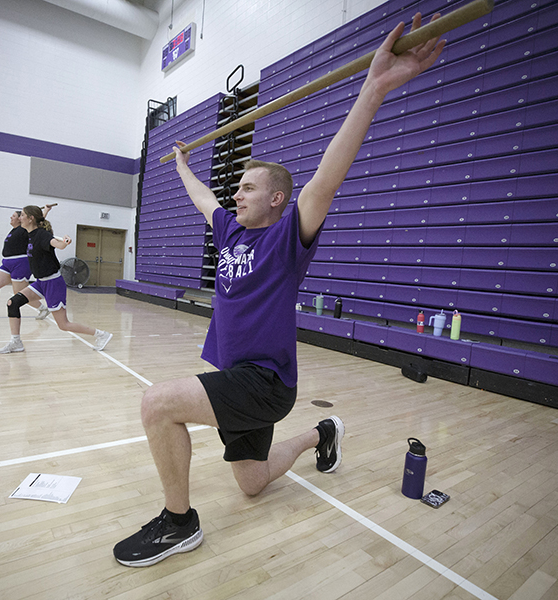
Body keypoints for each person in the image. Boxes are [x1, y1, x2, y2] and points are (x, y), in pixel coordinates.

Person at [113, 14, 445, 567]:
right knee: (251, 483)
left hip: (265, 383)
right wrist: (180, 166)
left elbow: (326, 179)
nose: (235, 193)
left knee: (157, 404)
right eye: (236, 186)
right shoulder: (230, 230)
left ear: (275, 200)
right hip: (236, 378)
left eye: (247, 187)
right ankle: (322, 434)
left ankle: (178, 524)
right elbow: (202, 199)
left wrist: (375, 87)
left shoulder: (290, 235)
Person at [0, 205, 112, 354]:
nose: (20, 218)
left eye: (22, 215)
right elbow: (39, 219)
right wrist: (46, 211)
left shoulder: (42, 235)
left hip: (53, 283)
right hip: (40, 283)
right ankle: (16, 342)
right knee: (13, 303)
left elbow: (58, 244)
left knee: (63, 325)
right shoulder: (28, 233)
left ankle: (101, 334)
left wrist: (65, 242)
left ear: (30, 219)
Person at [0, 205, 55, 320]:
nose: (11, 217)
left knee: (19, 292)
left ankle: (43, 309)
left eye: (15, 216)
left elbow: (37, 220)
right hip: (7, 263)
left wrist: (45, 210)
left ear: (21, 218)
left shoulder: (26, 228)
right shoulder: (14, 230)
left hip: (20, 263)